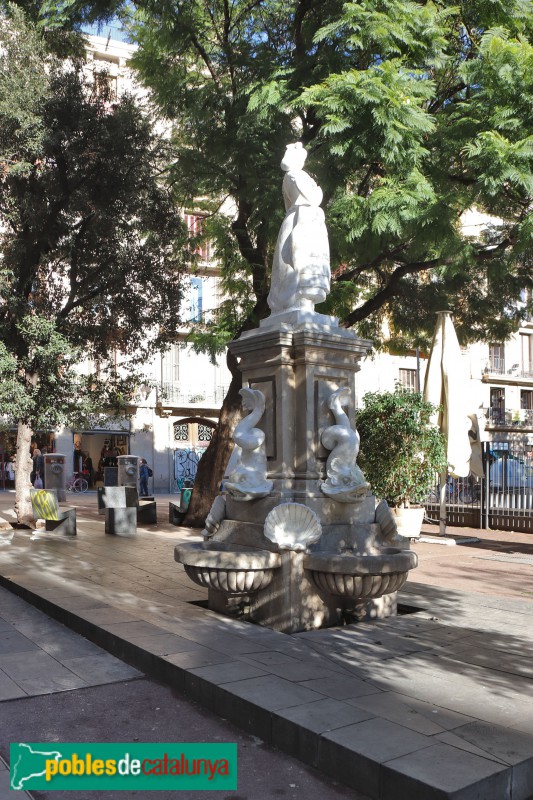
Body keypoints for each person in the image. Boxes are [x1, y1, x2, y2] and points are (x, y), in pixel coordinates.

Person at [267, 142, 331, 315]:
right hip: (300, 222)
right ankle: (295, 303)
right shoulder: (295, 175)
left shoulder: (292, 176)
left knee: (299, 264)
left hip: (303, 220)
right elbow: (313, 198)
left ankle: (302, 303)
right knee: (294, 264)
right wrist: (317, 190)